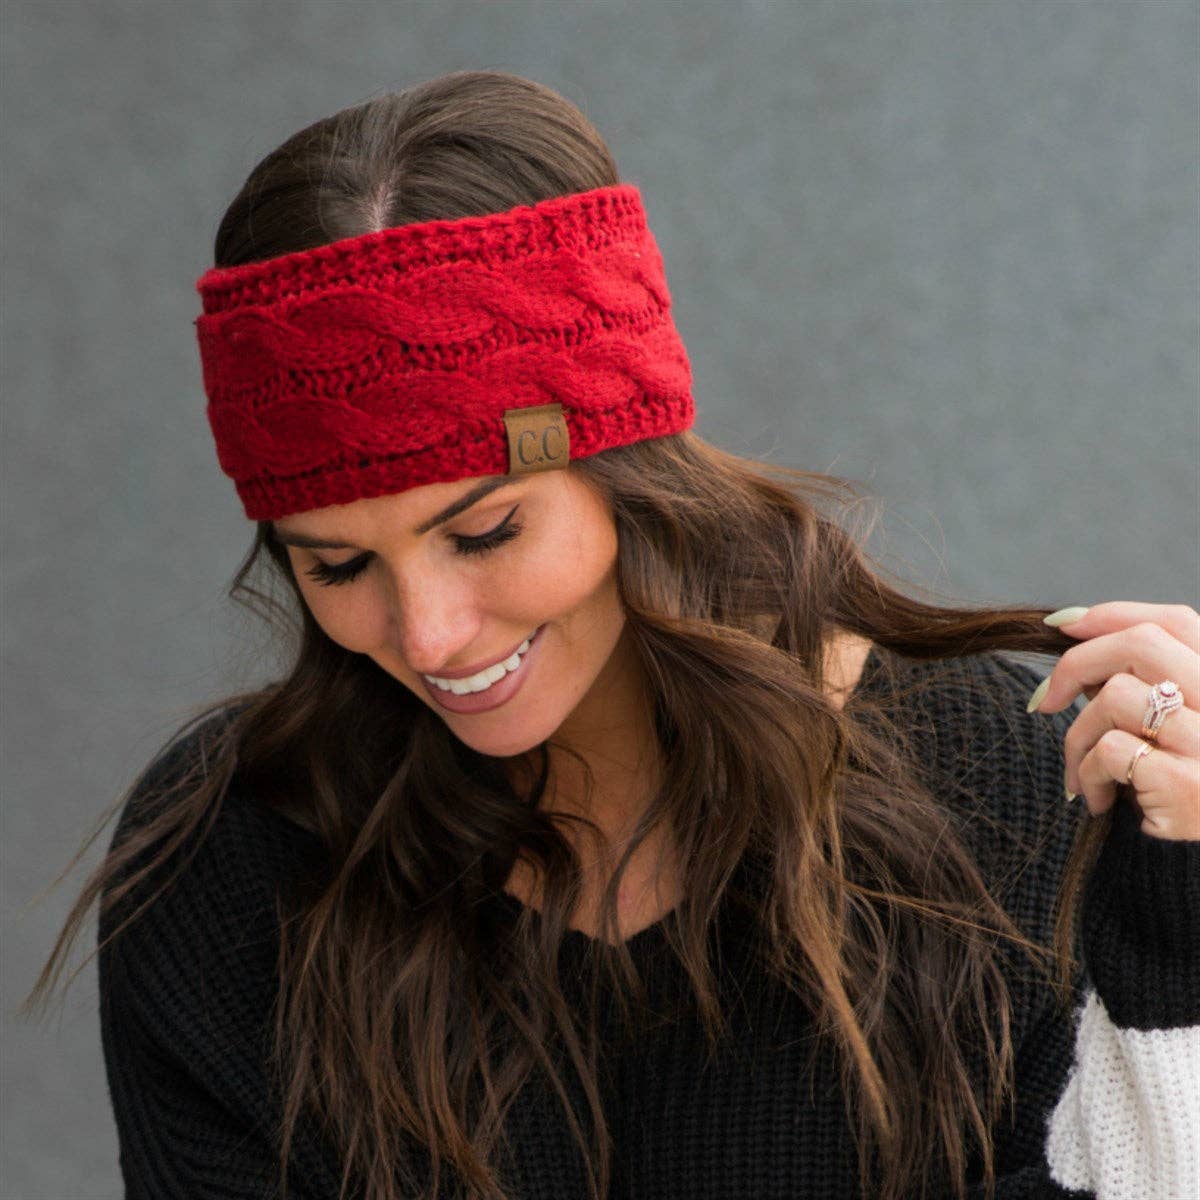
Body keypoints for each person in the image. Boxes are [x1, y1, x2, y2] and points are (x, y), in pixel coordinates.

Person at [22, 70, 1198, 1200]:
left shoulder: (997, 792)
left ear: (624, 469)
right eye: (337, 565)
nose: (429, 636)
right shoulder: (234, 855)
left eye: (484, 532)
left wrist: (1182, 949)